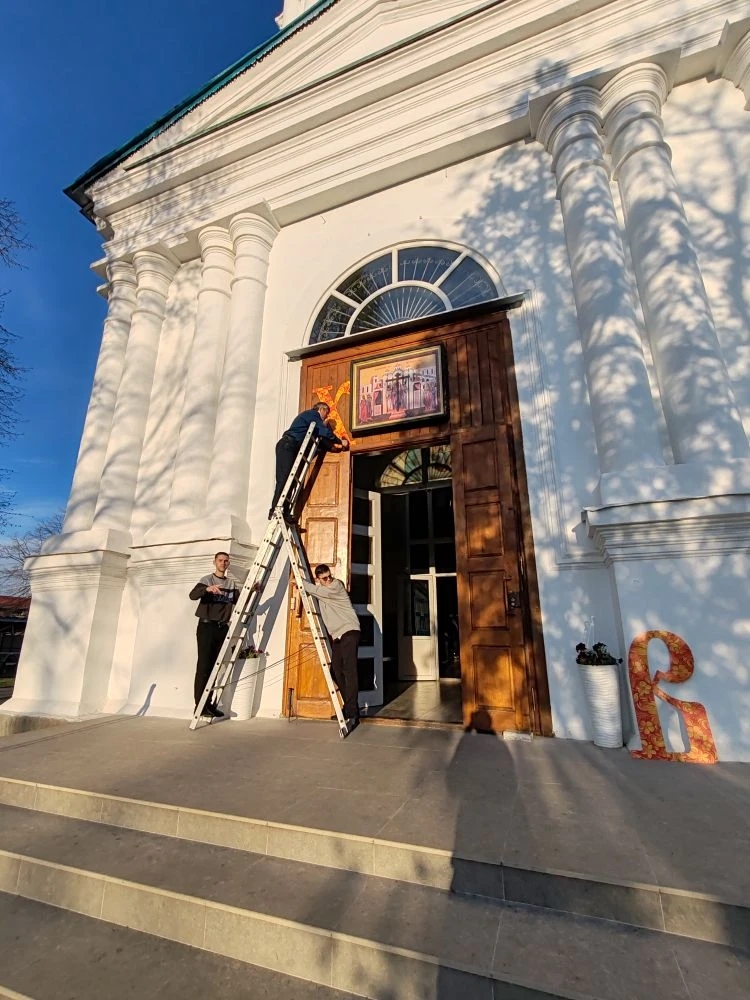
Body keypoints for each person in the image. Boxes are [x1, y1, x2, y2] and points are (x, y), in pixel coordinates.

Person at [302, 563, 361, 729]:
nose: (328, 580)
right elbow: (316, 592)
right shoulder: (322, 591)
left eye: (329, 576)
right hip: (338, 636)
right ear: (318, 579)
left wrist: (298, 581)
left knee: (349, 671)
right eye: (324, 578)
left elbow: (314, 590)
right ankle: (350, 707)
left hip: (349, 631)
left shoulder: (336, 586)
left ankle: (352, 713)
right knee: (335, 671)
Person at [269, 402, 350, 521]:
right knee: (284, 478)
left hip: (291, 448)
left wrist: (338, 448)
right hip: (287, 445)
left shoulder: (314, 426)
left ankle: (284, 512)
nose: (326, 417)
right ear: (321, 409)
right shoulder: (312, 415)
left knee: (291, 480)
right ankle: (275, 510)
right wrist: (340, 441)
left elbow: (324, 442)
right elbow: (325, 432)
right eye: (326, 413)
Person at [189, 552, 239, 718]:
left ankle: (209, 704)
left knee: (215, 667)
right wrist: (207, 589)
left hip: (222, 628)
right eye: (220, 560)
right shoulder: (207, 580)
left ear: (228, 564)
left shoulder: (231, 584)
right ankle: (199, 706)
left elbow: (239, 600)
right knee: (204, 666)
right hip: (206, 627)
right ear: (214, 562)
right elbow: (192, 595)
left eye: (226, 561)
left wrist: (254, 589)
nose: (223, 563)